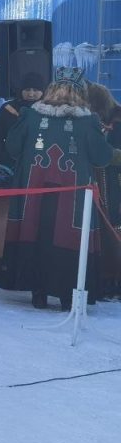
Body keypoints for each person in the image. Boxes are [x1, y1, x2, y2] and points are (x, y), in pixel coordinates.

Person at [0, 67, 121, 310]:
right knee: (70, 240)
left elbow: (12, 148)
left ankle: (39, 293)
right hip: (73, 201)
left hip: (34, 198)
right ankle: (68, 295)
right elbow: (101, 157)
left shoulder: (31, 116)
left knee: (35, 234)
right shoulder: (88, 122)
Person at [87, 82, 121, 299]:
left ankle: (114, 278)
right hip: (98, 180)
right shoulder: (90, 121)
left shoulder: (116, 119)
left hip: (114, 180)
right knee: (101, 230)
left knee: (115, 228)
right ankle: (104, 277)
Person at [0, 72, 45, 171]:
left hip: (43, 166)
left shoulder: (49, 111)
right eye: (27, 90)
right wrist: (5, 161)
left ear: (43, 91)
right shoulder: (8, 110)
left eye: (35, 90)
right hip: (13, 166)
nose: (31, 94)